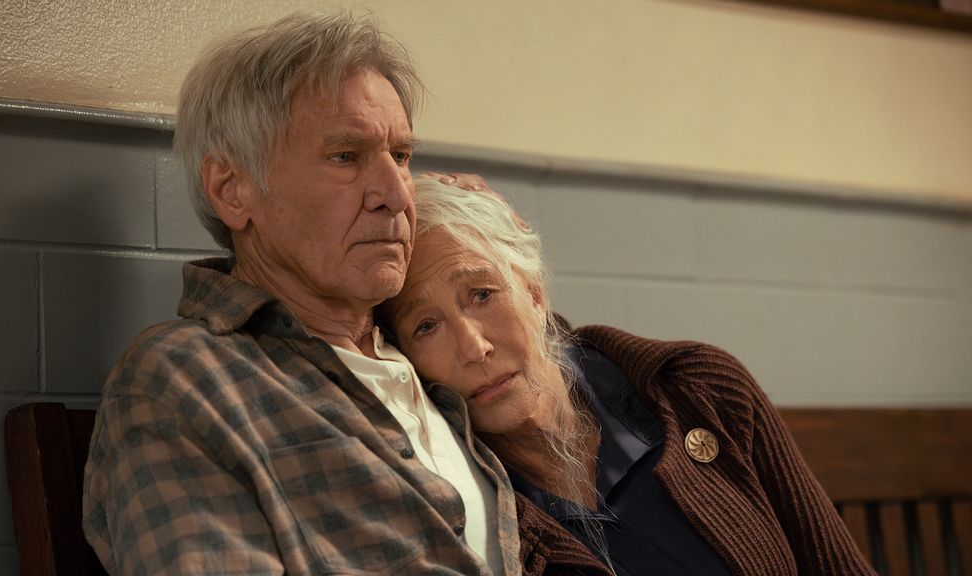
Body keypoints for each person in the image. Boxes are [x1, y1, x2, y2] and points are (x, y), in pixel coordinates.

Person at [82, 12, 607, 575]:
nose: (392, 193)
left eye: (401, 157)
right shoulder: (187, 378)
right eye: (345, 157)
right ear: (231, 191)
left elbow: (539, 349)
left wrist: (490, 241)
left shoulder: (421, 348)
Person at [380, 175, 878, 575]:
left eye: (483, 294)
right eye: (426, 326)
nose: (473, 347)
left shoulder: (699, 390)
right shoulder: (461, 500)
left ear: (534, 293)